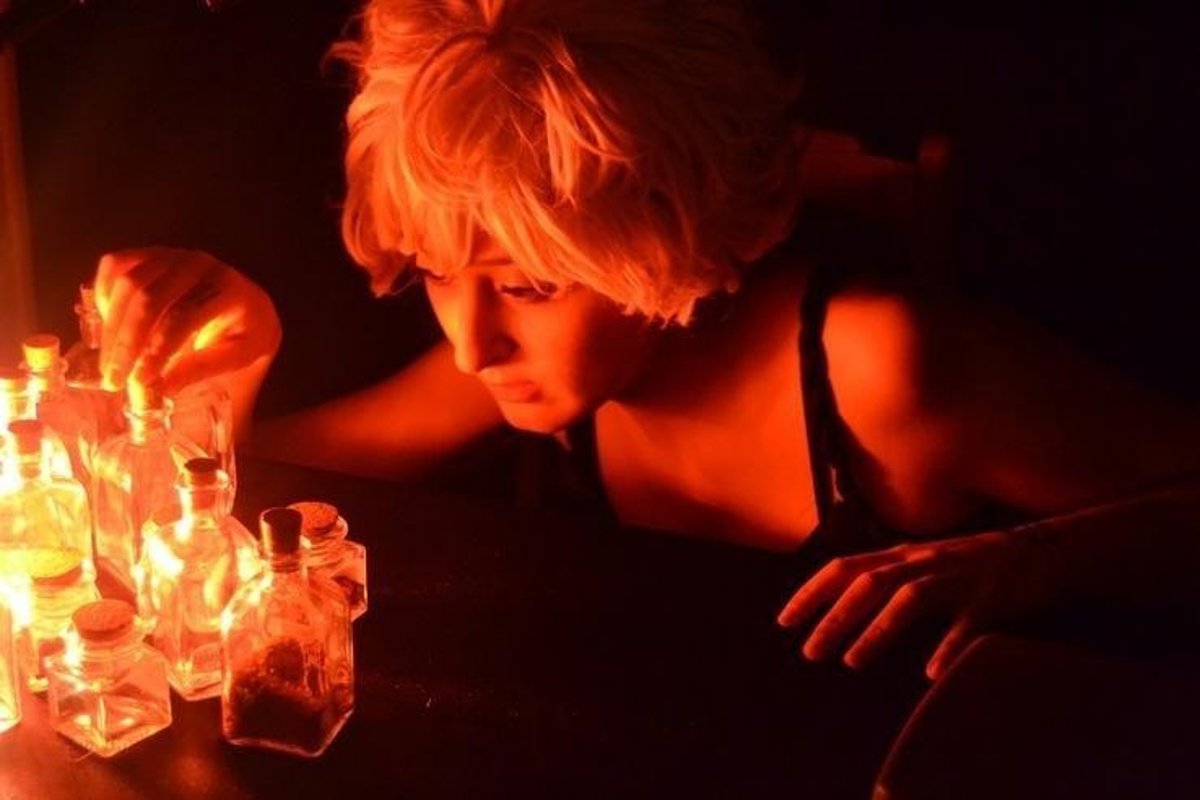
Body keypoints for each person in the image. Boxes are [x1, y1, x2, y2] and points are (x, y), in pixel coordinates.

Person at [90, 0, 1200, 680]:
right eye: (433, 273)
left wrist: (1034, 561)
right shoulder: (530, 369)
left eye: (528, 285)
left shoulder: (887, 371)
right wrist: (240, 357)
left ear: (667, 238)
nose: (472, 346)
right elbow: (267, 488)